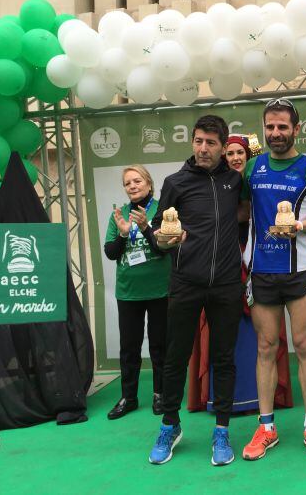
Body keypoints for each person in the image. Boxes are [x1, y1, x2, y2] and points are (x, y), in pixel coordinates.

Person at [145, 115, 245, 467]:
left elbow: (245, 220)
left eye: (211, 143)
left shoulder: (236, 181)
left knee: (224, 359)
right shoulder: (175, 182)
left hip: (227, 284)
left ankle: (222, 431)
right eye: (199, 141)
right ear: (192, 141)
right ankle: (170, 425)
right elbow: (158, 233)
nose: (203, 148)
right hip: (186, 282)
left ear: (222, 147)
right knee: (176, 358)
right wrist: (168, 238)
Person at [241, 98, 306, 461]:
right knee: (265, 347)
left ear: (296, 130)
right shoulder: (251, 168)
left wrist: (298, 226)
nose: (276, 133)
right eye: (270, 127)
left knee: (305, 345)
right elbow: (241, 214)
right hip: (262, 270)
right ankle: (266, 427)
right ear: (264, 129)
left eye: (283, 127)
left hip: (301, 271)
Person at [187, 134, 294, 414]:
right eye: (230, 153)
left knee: (260, 336)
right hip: (222, 267)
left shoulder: (259, 183)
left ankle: (259, 398)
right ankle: (223, 400)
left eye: (240, 153)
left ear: (249, 157)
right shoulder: (216, 183)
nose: (235, 158)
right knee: (223, 333)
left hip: (259, 263)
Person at [104, 165, 170, 420]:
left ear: (149, 184)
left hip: (159, 289)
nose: (132, 186)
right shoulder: (118, 214)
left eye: (137, 181)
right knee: (129, 348)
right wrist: (122, 234)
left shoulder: (160, 211)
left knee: (159, 346)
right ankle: (128, 397)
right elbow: (111, 253)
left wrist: (145, 228)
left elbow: (164, 249)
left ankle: (160, 394)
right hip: (128, 292)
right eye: (127, 183)